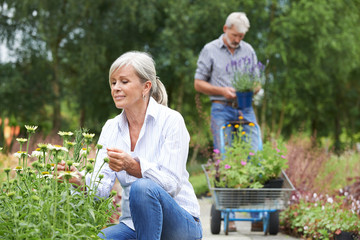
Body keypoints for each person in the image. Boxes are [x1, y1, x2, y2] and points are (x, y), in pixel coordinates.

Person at [58, 51, 202, 240]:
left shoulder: (171, 121)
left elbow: (172, 184)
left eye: (124, 82)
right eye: (113, 82)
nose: (116, 88)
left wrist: (134, 166)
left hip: (181, 225)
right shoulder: (111, 128)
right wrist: (79, 180)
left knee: (142, 188)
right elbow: (101, 189)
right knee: (97, 238)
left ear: (146, 87)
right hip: (133, 225)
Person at [194, 12, 263, 232]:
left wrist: (251, 88)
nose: (238, 40)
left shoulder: (249, 50)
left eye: (241, 36)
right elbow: (198, 83)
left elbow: (257, 82)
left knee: (256, 155)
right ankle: (228, 215)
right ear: (226, 29)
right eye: (235, 35)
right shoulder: (210, 50)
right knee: (224, 159)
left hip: (245, 108)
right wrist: (222, 90)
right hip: (221, 109)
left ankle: (257, 213)